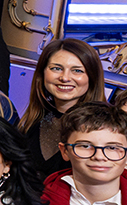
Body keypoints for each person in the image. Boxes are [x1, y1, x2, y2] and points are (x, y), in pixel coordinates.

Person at [21, 38, 106, 180]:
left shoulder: (105, 128)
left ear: (91, 78)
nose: (65, 78)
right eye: (56, 68)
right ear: (42, 73)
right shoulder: (34, 120)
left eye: (77, 71)